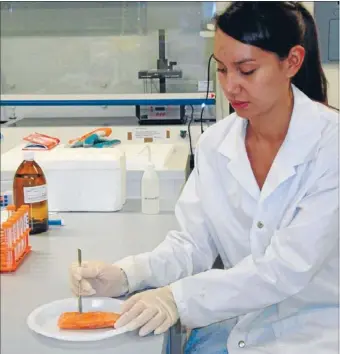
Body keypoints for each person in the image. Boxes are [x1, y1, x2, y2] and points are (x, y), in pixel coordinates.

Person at [69, 2, 339, 353]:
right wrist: (127, 274)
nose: (231, 86)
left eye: (246, 70)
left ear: (292, 61)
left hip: (313, 333)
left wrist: (176, 299)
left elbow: (286, 268)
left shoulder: (330, 146)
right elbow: (193, 244)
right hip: (234, 323)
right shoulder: (216, 144)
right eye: (223, 70)